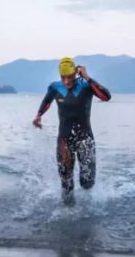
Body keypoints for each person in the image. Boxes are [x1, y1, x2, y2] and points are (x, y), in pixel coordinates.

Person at [33, 57, 111, 205]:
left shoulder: (86, 85)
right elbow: (47, 102)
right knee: (66, 183)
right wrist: (38, 116)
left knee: (87, 182)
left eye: (70, 77)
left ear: (76, 73)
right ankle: (69, 216)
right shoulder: (55, 87)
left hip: (84, 138)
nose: (67, 81)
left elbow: (106, 97)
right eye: (63, 77)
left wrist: (87, 77)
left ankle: (87, 210)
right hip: (64, 139)